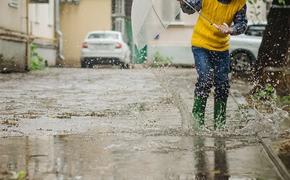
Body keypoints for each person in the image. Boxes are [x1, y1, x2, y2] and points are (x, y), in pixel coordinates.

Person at [178, 0, 248, 129]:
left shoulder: (240, 3)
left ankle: (219, 124)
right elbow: (189, 9)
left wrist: (231, 29)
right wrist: (183, 2)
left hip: (222, 48)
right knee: (206, 78)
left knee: (222, 84)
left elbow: (242, 24)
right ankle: (197, 123)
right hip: (201, 44)